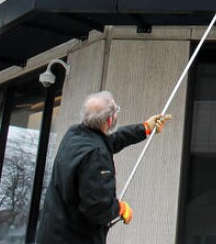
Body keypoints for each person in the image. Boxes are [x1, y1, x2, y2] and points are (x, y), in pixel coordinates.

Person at [36, 91, 171, 243]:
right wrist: (119, 208)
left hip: (53, 233)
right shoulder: (96, 154)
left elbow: (108, 142)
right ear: (110, 119)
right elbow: (98, 207)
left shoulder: (74, 135)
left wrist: (144, 128)